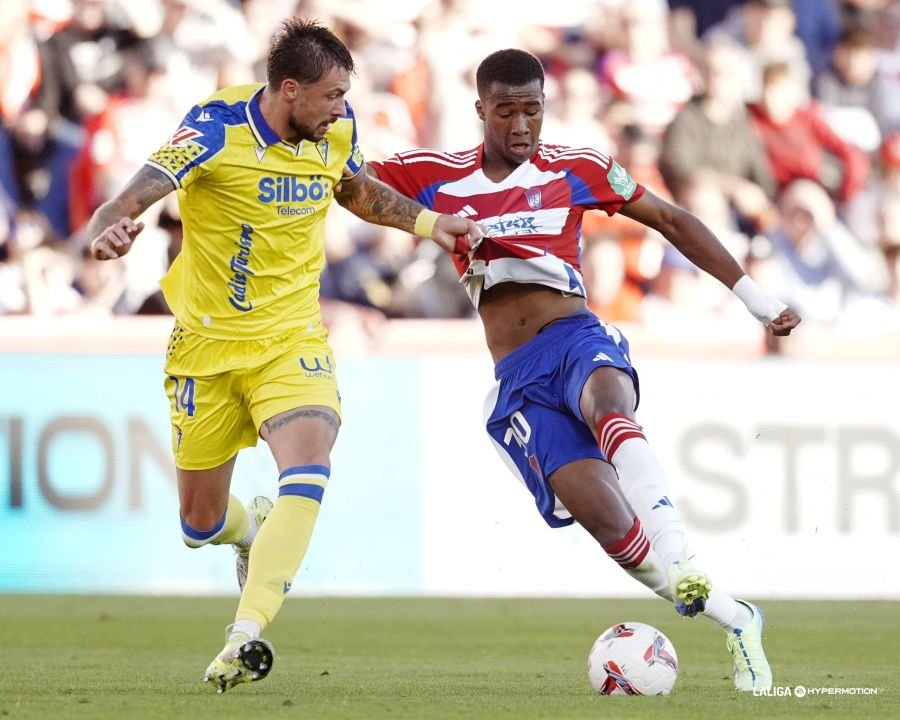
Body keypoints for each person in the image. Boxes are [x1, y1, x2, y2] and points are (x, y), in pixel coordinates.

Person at [364, 48, 800, 693]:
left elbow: (671, 219)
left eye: (532, 110)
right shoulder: (435, 175)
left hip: (576, 336)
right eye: (505, 111)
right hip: (519, 377)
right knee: (610, 526)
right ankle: (736, 618)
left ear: (547, 107)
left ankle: (676, 541)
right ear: (479, 109)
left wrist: (756, 300)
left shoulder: (579, 167)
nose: (520, 125)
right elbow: (346, 184)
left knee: (608, 403)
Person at [84, 18, 482, 693]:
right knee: (199, 524)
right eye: (330, 96)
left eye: (344, 96)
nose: (341, 108)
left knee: (310, 463)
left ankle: (245, 634)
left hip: (292, 340)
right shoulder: (214, 127)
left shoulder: (338, 129)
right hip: (206, 347)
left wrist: (430, 224)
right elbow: (131, 195)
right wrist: (109, 231)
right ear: (289, 90)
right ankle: (250, 528)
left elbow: (353, 188)